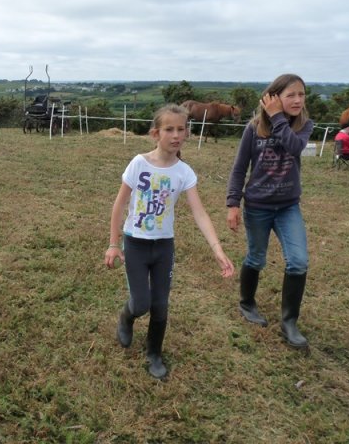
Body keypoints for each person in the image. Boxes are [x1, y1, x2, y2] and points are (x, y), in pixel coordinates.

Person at [105, 104, 234, 379]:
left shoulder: (184, 172)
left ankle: (154, 353)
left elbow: (200, 212)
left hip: (163, 247)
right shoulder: (139, 163)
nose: (176, 135)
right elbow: (119, 205)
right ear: (156, 133)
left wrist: (217, 249)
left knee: (160, 305)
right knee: (141, 303)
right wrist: (114, 244)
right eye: (170, 129)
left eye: (181, 129)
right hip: (136, 244)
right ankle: (127, 317)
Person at [226, 73, 313, 349]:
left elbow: (294, 147)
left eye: (301, 94)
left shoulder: (304, 126)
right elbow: (239, 168)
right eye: (291, 95)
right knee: (256, 257)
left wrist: (277, 117)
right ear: (273, 98)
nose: (298, 100)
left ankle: (289, 322)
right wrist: (232, 204)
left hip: (288, 207)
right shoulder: (253, 128)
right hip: (258, 206)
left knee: (298, 261)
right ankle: (247, 303)